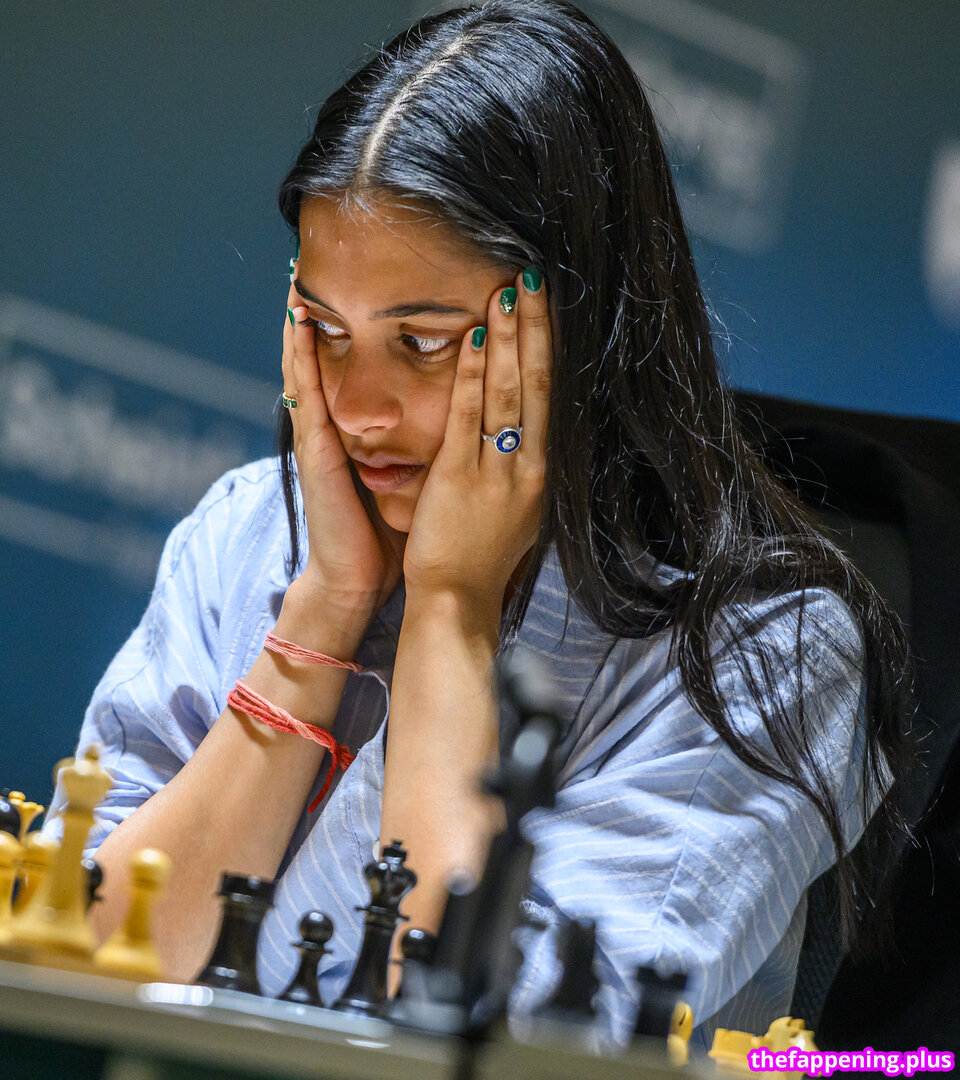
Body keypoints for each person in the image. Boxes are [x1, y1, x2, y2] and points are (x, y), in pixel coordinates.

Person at [44, 0, 911, 1053]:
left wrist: (450, 615)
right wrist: (321, 617)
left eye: (420, 343)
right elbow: (78, 969)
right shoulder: (245, 534)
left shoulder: (760, 652)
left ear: (573, 329)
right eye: (325, 332)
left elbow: (495, 1044)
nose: (358, 410)